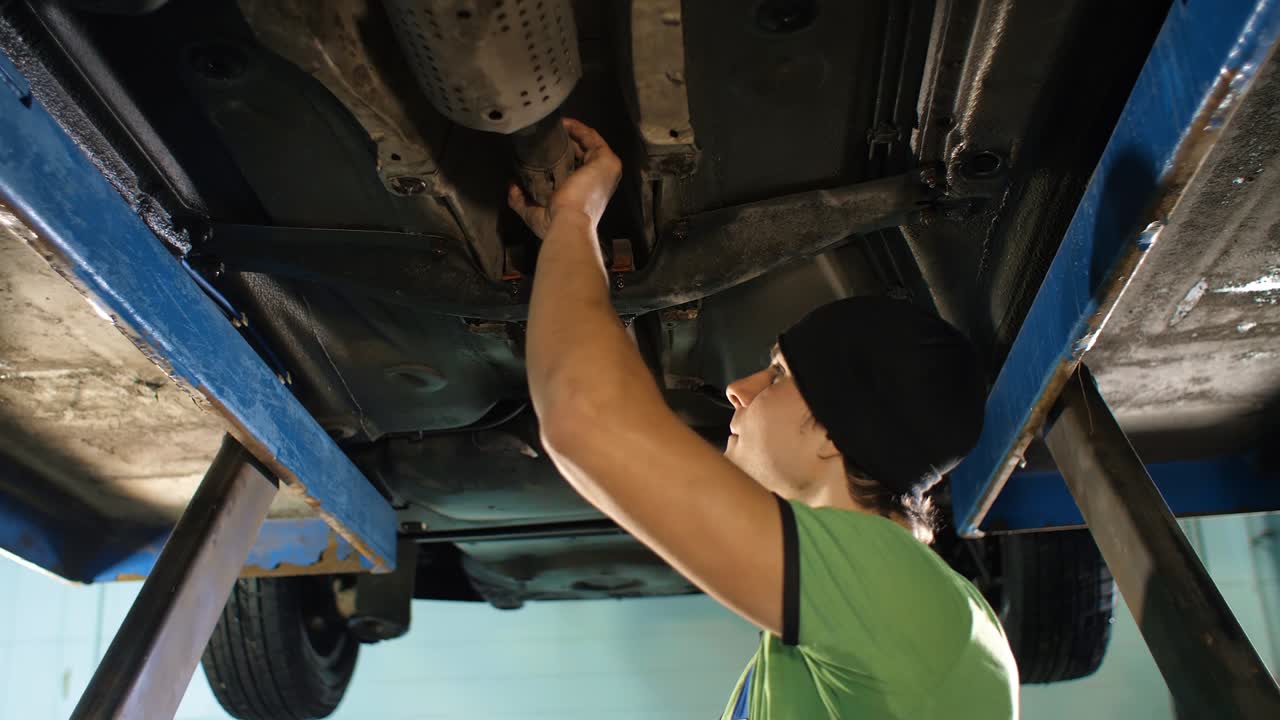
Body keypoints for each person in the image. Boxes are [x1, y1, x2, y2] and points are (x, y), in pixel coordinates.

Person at [508, 117, 1019, 719]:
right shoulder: (890, 608)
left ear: (835, 431)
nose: (736, 389)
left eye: (779, 375)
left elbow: (584, 417)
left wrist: (575, 219)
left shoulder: (902, 600)